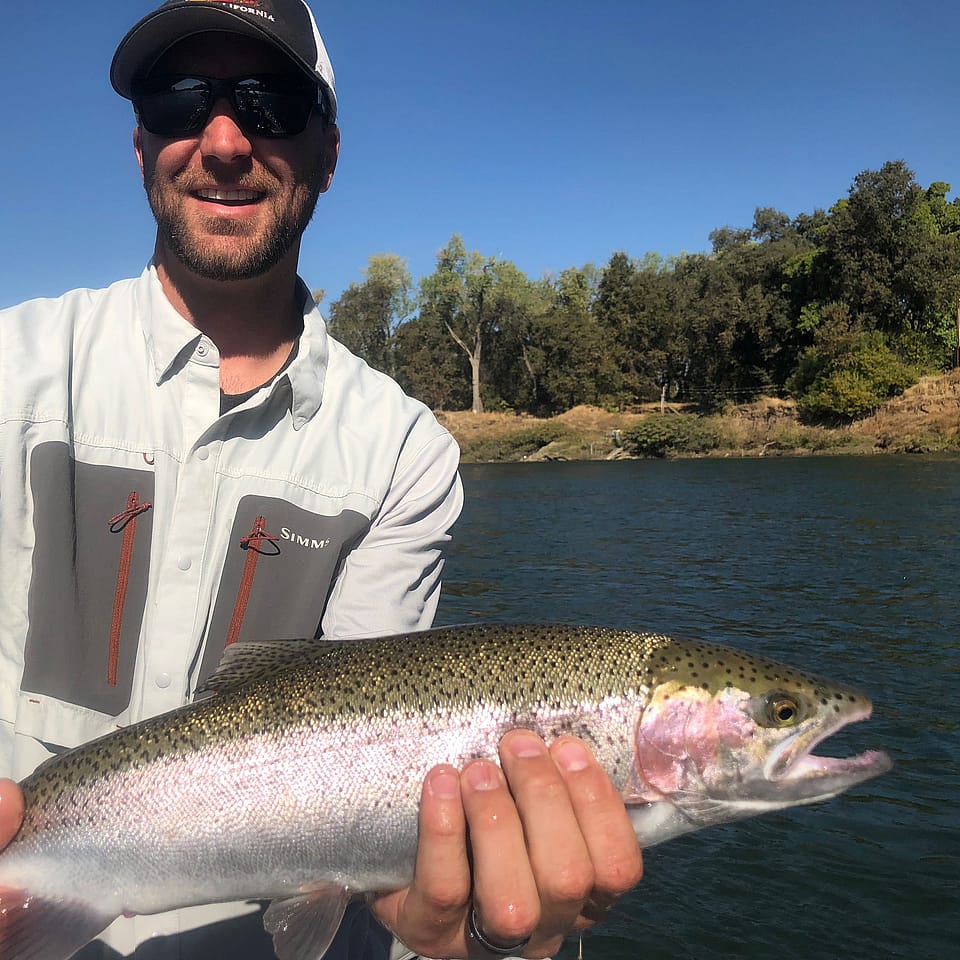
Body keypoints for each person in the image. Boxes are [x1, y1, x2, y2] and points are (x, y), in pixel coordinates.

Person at [0, 2, 643, 959]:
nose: (222, 141)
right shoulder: (13, 367)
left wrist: (456, 911)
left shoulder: (404, 455)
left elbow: (374, 768)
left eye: (268, 102)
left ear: (328, 152)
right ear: (141, 142)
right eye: (182, 100)